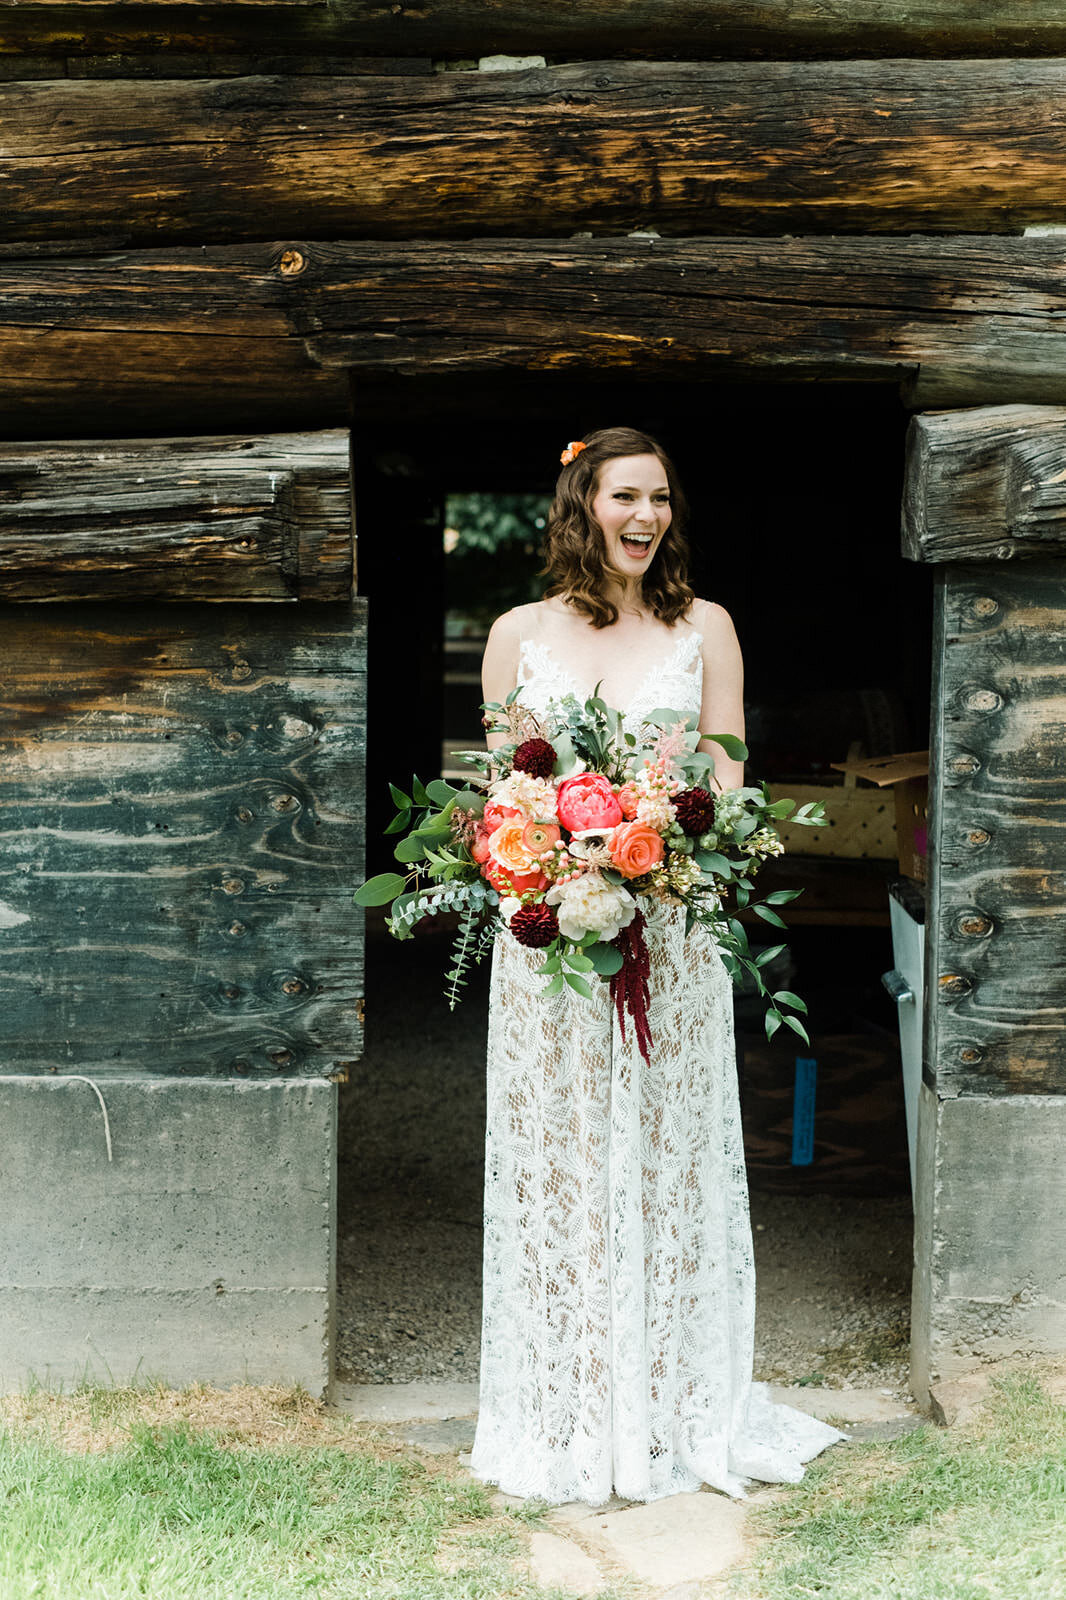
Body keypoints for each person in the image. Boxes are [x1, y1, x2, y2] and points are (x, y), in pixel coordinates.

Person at [470, 426, 843, 1505]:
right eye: (625, 496)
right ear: (581, 505)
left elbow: (727, 779)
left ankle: (676, 1396)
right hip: (552, 945)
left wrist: (664, 842)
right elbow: (503, 798)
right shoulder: (515, 634)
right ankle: (567, 1402)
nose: (645, 517)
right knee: (565, 1158)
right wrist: (553, 856)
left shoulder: (706, 628)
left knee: (666, 1151)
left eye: (661, 499)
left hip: (669, 936)